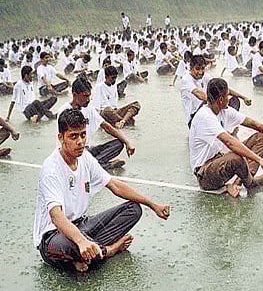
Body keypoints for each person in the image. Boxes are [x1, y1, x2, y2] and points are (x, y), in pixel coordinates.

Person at [34, 108, 169, 273]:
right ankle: (108, 250)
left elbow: (115, 185)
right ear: (61, 138)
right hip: (53, 236)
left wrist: (153, 205)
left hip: (82, 225)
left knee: (133, 209)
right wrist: (82, 242)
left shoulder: (85, 158)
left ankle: (86, 255)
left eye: (83, 135)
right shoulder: (51, 169)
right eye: (73, 136)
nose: (80, 142)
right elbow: (56, 217)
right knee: (68, 246)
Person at [190, 78, 263, 197]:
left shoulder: (224, 111)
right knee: (237, 157)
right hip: (204, 174)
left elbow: (256, 125)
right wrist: (259, 160)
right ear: (220, 99)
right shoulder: (205, 116)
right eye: (227, 95)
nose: (229, 98)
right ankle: (250, 183)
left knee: (260, 137)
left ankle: (238, 182)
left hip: (218, 160)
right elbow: (230, 142)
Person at [57, 77, 135, 169]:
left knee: (119, 143)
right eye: (85, 96)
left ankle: (95, 164)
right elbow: (63, 142)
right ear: (75, 95)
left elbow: (106, 126)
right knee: (82, 161)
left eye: (89, 96)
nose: (88, 99)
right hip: (72, 152)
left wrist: (127, 142)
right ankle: (103, 165)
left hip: (86, 150)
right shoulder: (65, 111)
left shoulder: (88, 108)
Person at [181, 55, 251, 128]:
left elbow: (222, 88)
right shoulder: (186, 79)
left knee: (234, 100)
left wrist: (243, 98)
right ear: (191, 68)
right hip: (194, 119)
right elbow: (199, 94)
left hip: (207, 111)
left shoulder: (205, 76)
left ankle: (228, 126)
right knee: (216, 99)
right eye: (197, 69)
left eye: (202, 68)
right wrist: (219, 101)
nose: (200, 72)